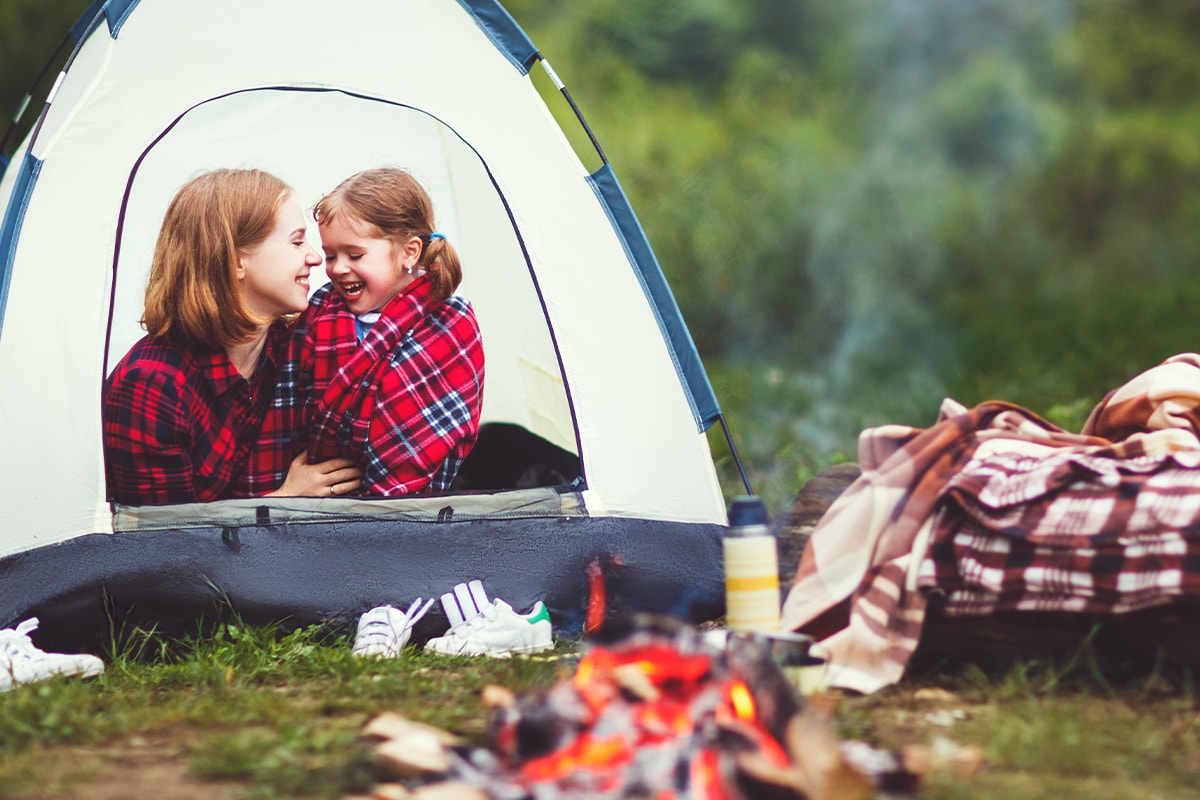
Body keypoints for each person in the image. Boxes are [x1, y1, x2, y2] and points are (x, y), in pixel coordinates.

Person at [103, 169, 363, 506]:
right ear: (237, 260)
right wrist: (285, 500)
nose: (315, 257)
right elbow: (164, 545)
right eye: (297, 241)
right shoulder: (152, 386)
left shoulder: (294, 348)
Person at [253, 167, 485, 496]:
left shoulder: (449, 324)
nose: (337, 268)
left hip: (408, 510)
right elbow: (285, 405)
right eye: (331, 255)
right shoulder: (322, 311)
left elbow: (430, 434)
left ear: (409, 252)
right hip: (311, 501)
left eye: (355, 254)